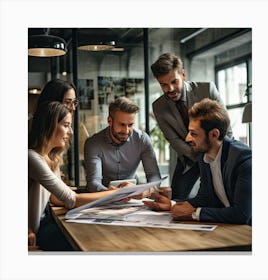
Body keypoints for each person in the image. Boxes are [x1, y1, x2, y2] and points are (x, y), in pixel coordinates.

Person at [28, 101, 121, 251]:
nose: (70, 132)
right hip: (38, 232)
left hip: (46, 224)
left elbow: (56, 198)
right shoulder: (32, 158)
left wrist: (107, 194)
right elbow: (71, 199)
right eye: (66, 125)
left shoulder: (52, 159)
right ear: (50, 125)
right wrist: (115, 193)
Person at [144, 98, 251, 225]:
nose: (187, 138)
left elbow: (241, 214)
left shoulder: (244, 160)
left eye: (194, 134)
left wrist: (194, 213)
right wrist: (172, 205)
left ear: (214, 134)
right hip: (230, 229)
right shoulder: (204, 156)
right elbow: (205, 197)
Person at [151, 53, 232, 201]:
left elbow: (225, 126)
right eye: (163, 84)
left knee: (222, 195)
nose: (170, 89)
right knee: (176, 198)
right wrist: (200, 157)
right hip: (189, 156)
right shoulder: (159, 107)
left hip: (217, 153)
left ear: (183, 74)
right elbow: (174, 140)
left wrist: (219, 155)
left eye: (174, 82)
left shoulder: (207, 89)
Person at [84, 96, 161, 192]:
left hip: (134, 196)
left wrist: (144, 192)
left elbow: (154, 176)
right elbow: (93, 182)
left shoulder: (142, 140)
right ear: (109, 121)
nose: (126, 130)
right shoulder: (93, 143)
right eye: (122, 125)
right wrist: (110, 194)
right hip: (103, 197)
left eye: (130, 125)